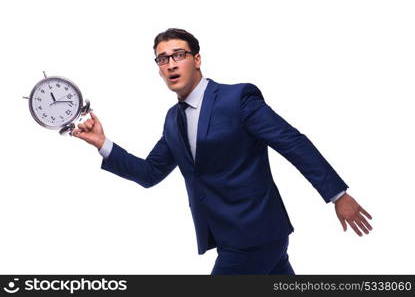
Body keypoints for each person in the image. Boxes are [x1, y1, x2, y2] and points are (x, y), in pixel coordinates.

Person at [72, 28, 373, 275]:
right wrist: (102, 143)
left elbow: (292, 142)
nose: (171, 64)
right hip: (233, 238)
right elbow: (149, 173)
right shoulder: (173, 120)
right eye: (163, 59)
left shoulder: (237, 99)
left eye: (179, 55)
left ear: (197, 59)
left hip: (254, 235)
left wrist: (337, 195)